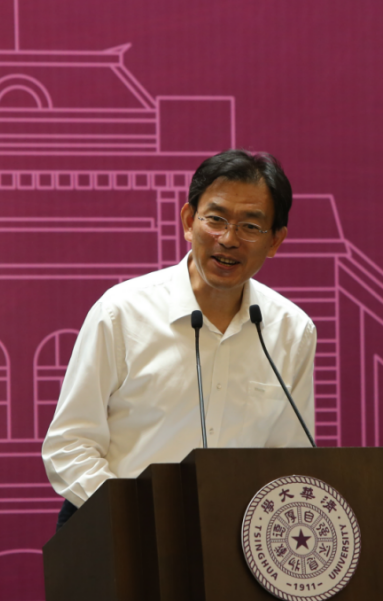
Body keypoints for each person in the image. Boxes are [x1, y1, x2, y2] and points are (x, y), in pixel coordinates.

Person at [41, 149, 317, 530]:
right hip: (118, 528)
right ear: (189, 221)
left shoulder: (292, 332)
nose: (228, 239)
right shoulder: (121, 314)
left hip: (231, 542)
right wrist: (137, 518)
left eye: (250, 226)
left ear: (275, 241)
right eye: (216, 219)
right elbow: (69, 444)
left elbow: (289, 462)